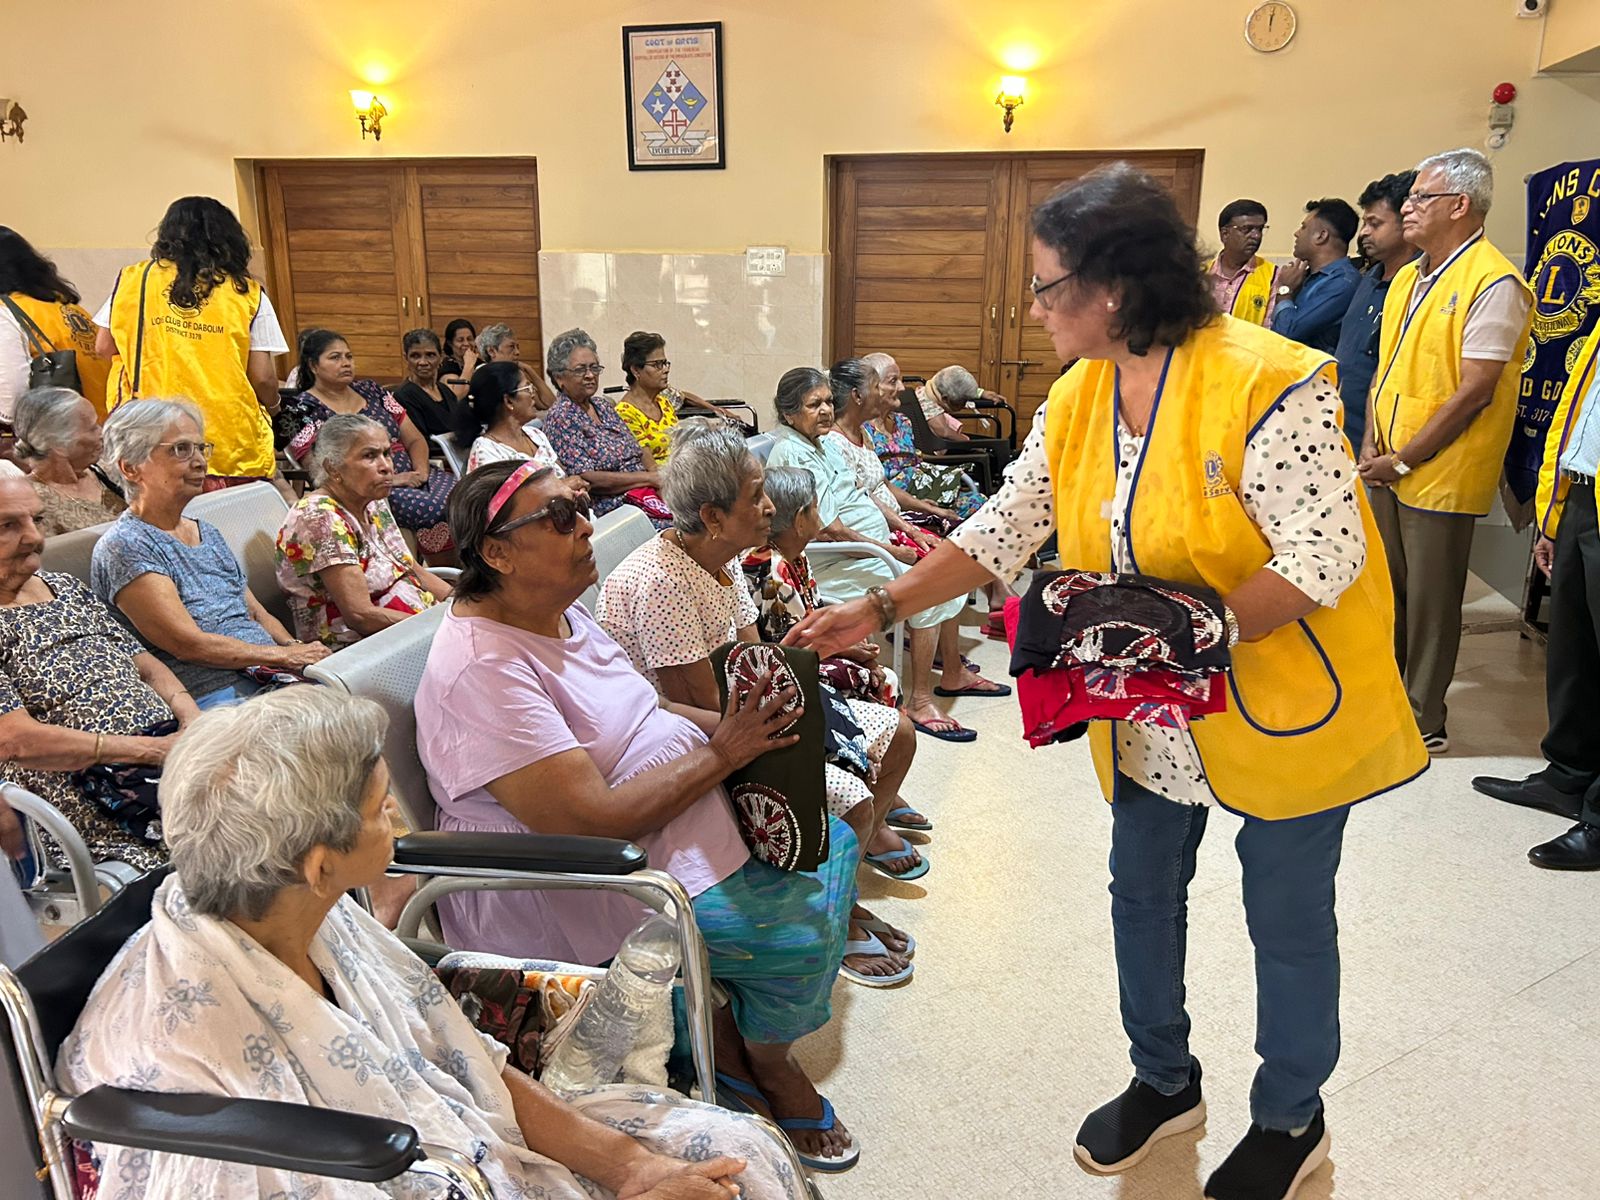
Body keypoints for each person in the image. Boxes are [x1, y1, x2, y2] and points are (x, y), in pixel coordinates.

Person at [788, 163, 1427, 1200]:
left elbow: (1321, 553)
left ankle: (1290, 1117)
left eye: (1047, 288)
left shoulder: (1271, 379)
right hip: (1147, 706)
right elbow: (1008, 526)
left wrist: (1186, 630)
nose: (1032, 309)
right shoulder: (1080, 395)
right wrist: (882, 606)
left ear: (1113, 290)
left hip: (1278, 695)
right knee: (1140, 892)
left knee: (1288, 915)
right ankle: (1163, 1081)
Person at [57, 686, 803, 1200]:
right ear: (321, 865)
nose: (402, 825)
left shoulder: (299, 906)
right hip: (431, 1170)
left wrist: (632, 1166)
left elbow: (458, 1059)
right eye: (385, 809)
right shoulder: (178, 1056)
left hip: (468, 1142)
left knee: (747, 1157)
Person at [416, 460, 862, 1172]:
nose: (586, 525)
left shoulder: (558, 610)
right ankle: (764, 1060)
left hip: (670, 820)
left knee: (833, 842)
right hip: (576, 881)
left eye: (581, 504)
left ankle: (730, 1036)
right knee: (801, 930)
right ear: (496, 552)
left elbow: (645, 709)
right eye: (559, 517)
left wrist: (743, 729)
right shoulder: (483, 666)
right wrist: (723, 751)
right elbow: (588, 821)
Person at [596, 418, 926, 980]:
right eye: (757, 496)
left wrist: (803, 659)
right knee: (851, 797)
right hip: (690, 739)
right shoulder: (664, 583)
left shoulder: (719, 559)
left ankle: (836, 883)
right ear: (713, 517)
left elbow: (755, 658)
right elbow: (706, 713)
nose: (771, 506)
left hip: (740, 711)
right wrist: (795, 715)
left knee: (897, 733)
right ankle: (834, 915)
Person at [1359, 148, 1534, 755]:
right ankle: (1386, 697)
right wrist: (1372, 443)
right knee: (1390, 590)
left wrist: (1404, 457)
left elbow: (1474, 390)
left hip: (1441, 467)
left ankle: (1421, 719)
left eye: (1420, 199)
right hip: (1387, 461)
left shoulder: (1493, 282)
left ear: (1460, 206)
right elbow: (1387, 370)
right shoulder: (1410, 274)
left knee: (1432, 602)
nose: (1407, 208)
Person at [765, 365, 1005, 742]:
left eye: (828, 401)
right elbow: (829, 529)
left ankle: (954, 672)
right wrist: (892, 551)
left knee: (940, 571)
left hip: (868, 551)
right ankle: (921, 700)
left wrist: (906, 530)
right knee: (927, 591)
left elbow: (868, 493)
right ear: (789, 412)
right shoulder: (792, 453)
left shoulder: (824, 443)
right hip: (839, 560)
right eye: (814, 405)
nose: (826, 410)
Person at [0, 475, 198, 870]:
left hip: (167, 750)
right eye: (8, 525)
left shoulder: (65, 587)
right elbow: (16, 740)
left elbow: (144, 664)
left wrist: (193, 722)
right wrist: (152, 751)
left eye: (36, 520)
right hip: (91, 786)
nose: (33, 537)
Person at [91, 400, 329, 705]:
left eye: (201, 448)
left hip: (270, 675)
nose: (200, 461)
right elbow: (187, 644)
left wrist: (297, 651)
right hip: (215, 692)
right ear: (131, 467)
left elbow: (256, 613)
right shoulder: (126, 545)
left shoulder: (207, 531)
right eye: (181, 449)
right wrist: (284, 655)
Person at [1472, 327, 1600, 868]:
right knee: (1573, 651)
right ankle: (1567, 776)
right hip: (1583, 494)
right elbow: (1579, 417)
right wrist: (1552, 516)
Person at [94, 197, 288, 487]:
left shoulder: (133, 280)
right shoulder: (246, 291)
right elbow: (262, 377)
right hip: (230, 436)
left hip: (154, 430)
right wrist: (275, 408)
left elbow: (103, 347)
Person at [276, 414, 452, 647]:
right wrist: (440, 626)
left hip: (413, 627)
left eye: (387, 454)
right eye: (370, 456)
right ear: (333, 467)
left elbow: (410, 567)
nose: (386, 466)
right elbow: (360, 616)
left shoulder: (371, 500)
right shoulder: (319, 518)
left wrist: (456, 601)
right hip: (360, 648)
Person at [287, 328, 457, 559]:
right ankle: (445, 579)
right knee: (434, 509)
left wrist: (421, 471)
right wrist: (391, 480)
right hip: (365, 488)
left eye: (349, 356)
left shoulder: (372, 390)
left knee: (463, 495)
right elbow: (318, 469)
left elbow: (415, 438)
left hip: (414, 473)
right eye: (335, 357)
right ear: (313, 365)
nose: (346, 363)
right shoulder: (295, 410)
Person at [542, 327, 667, 521]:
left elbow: (638, 449)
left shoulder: (602, 405)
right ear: (559, 378)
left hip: (646, 493)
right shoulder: (561, 416)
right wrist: (649, 479)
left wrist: (658, 477)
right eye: (580, 369)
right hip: (616, 505)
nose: (590, 375)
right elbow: (588, 477)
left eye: (594, 367)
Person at [1334, 172, 1419, 448]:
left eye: (1375, 223)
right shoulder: (1369, 278)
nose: (1364, 233)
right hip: (1343, 432)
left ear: (1407, 222)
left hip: (1383, 445)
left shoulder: (1419, 284)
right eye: (1364, 223)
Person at [0, 226, 111, 421]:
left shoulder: (5, 313)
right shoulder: (68, 307)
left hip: (58, 431)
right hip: (99, 424)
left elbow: (12, 390)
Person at [862, 352, 986, 523]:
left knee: (981, 504)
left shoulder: (902, 421)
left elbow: (916, 460)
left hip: (924, 489)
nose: (902, 388)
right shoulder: (861, 429)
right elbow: (873, 483)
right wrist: (920, 504)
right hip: (894, 499)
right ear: (871, 387)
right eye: (893, 381)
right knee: (977, 510)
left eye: (900, 380)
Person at [11, 387, 124, 535]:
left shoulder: (109, 471)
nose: (101, 433)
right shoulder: (31, 502)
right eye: (92, 428)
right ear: (59, 445)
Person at [616, 332, 741, 462]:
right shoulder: (625, 414)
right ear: (636, 370)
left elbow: (683, 396)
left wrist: (717, 412)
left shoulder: (664, 403)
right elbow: (650, 469)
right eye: (657, 364)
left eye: (665, 363)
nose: (665, 370)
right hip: (662, 478)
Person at [1270, 198, 1362, 355]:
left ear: (1321, 236)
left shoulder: (1343, 283)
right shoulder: (1305, 277)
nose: (1296, 233)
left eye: (1303, 227)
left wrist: (1285, 291)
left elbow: (1287, 334)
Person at [458, 359, 564, 473]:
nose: (533, 394)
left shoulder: (536, 435)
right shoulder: (487, 450)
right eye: (527, 388)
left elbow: (564, 473)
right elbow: (503, 491)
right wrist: (563, 486)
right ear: (508, 401)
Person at [1205, 199, 1278, 325]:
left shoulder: (1273, 276)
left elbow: (1270, 331)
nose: (1256, 236)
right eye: (1247, 229)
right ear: (1225, 234)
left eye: (1259, 229)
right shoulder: (1201, 273)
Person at [392, 327, 467, 441]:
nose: (423, 362)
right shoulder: (403, 396)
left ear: (440, 357)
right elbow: (420, 441)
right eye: (415, 356)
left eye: (430, 355)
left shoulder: (444, 390)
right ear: (406, 358)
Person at [478, 321, 559, 410]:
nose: (517, 352)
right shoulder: (483, 376)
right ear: (491, 351)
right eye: (511, 347)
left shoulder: (515, 374)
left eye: (517, 347)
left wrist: (529, 370)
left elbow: (550, 405)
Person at [439, 316, 478, 396]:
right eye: (460, 340)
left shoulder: (479, 363)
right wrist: (468, 365)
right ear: (450, 343)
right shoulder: (447, 367)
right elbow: (456, 396)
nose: (466, 344)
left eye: (470, 339)